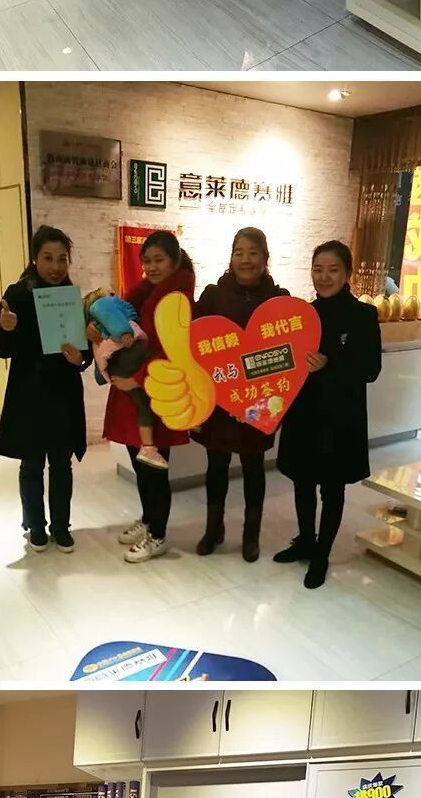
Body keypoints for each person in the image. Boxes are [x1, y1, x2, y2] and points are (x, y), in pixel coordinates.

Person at [275, 239, 382, 589]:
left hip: (338, 419)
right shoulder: (301, 316)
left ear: (347, 273)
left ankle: (322, 554)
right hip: (304, 414)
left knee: (332, 489)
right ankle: (306, 541)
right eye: (318, 269)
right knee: (302, 481)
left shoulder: (363, 315)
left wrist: (329, 363)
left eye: (333, 269)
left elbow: (370, 369)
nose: (324, 276)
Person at [0, 225, 92, 554]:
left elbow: (84, 353)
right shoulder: (17, 294)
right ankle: (36, 526)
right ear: (35, 259)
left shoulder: (70, 298)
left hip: (63, 395)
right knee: (32, 464)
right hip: (29, 394)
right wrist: (5, 329)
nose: (56, 266)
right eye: (48, 258)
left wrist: (80, 358)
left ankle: (61, 527)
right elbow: (0, 349)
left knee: (62, 464)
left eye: (62, 259)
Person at [191, 228, 287, 562]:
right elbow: (194, 344)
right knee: (216, 466)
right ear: (231, 257)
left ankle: (251, 535)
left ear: (265, 258)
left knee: (253, 468)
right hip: (218, 400)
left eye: (253, 252)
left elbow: (284, 355)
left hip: (259, 401)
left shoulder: (279, 299)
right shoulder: (213, 296)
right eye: (239, 252)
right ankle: (213, 529)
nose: (245, 259)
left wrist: (253, 398)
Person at [101, 231, 195, 562]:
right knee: (140, 466)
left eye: (159, 260)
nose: (152, 267)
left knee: (155, 469)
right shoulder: (142, 294)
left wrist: (137, 379)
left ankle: (158, 535)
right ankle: (149, 519)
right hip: (131, 392)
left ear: (175, 260)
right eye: (147, 261)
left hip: (157, 392)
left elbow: (177, 351)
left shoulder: (179, 299)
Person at [84, 289, 167, 466]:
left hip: (118, 364)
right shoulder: (103, 304)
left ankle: (148, 447)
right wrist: (123, 332)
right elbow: (105, 309)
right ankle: (153, 444)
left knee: (144, 403)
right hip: (128, 353)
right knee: (160, 376)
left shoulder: (97, 326)